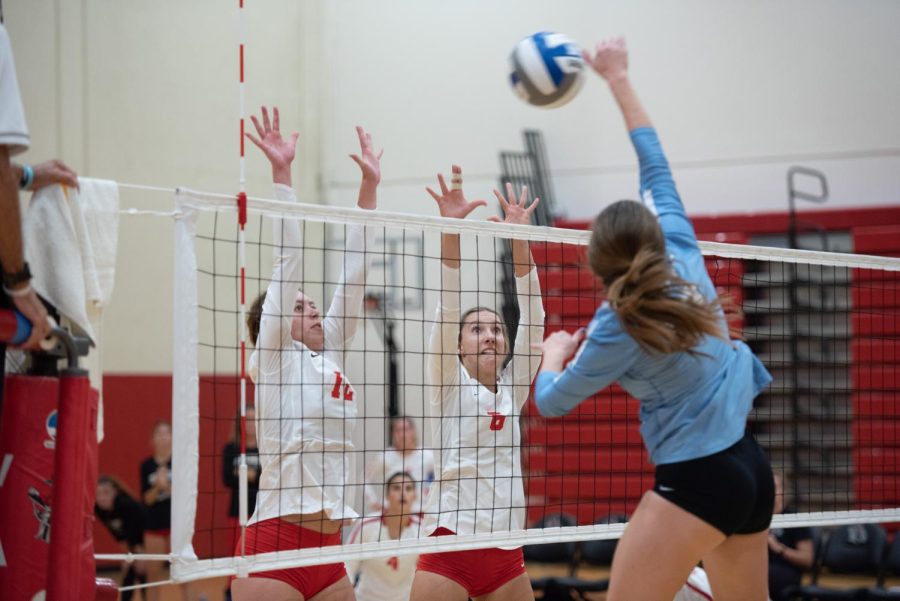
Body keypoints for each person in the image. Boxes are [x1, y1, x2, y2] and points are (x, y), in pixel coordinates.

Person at [532, 38, 774, 601]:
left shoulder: (617, 325)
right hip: (750, 468)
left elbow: (551, 402)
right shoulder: (683, 249)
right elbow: (653, 158)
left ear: (597, 266)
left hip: (696, 483)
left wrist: (553, 356)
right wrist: (616, 76)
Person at [230, 106, 381, 601]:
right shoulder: (275, 356)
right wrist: (282, 175)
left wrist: (368, 193)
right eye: (299, 305)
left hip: (327, 552)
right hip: (275, 548)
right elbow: (287, 263)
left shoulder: (329, 348)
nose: (312, 305)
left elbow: (354, 274)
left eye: (311, 301)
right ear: (272, 323)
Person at [409, 174, 545, 601]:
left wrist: (517, 242)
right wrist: (452, 230)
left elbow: (534, 316)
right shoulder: (447, 382)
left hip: (506, 551)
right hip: (450, 545)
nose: (489, 335)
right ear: (458, 345)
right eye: (476, 329)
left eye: (495, 329)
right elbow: (448, 305)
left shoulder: (513, 387)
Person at [347, 472, 421, 601]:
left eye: (408, 488)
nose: (402, 493)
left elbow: (425, 571)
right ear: (387, 495)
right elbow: (348, 564)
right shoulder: (366, 525)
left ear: (415, 496)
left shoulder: (421, 529)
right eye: (397, 488)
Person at [364, 416, 434, 517]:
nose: (402, 434)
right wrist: (373, 502)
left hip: (419, 513)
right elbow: (364, 479)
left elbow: (445, 478)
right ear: (393, 434)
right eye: (398, 430)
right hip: (393, 514)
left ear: (413, 431)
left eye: (406, 429)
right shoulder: (385, 456)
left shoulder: (428, 455)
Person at [95, 475, 147, 601]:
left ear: (116, 492)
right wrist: (127, 555)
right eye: (98, 493)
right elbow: (118, 533)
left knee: (141, 572)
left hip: (146, 538)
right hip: (133, 543)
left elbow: (137, 531)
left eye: (106, 492)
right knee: (131, 574)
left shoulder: (126, 505)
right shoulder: (99, 509)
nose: (101, 497)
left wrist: (139, 554)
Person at [139, 420, 174, 601]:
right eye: (159, 433)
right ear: (152, 439)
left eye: (166, 432)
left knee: (185, 574)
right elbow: (147, 499)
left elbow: (184, 495)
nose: (163, 436)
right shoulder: (146, 466)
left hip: (176, 522)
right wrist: (157, 487)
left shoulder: (180, 462)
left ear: (172, 437)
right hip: (154, 522)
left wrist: (166, 485)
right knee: (153, 575)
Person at [767, 473, 814, 601]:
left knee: (763, 574)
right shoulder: (757, 519)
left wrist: (779, 548)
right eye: (767, 487)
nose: (770, 491)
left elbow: (807, 559)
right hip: (761, 570)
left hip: (787, 572)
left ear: (783, 491)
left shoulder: (794, 518)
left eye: (775, 487)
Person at [222, 405, 261, 546]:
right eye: (246, 419)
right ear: (239, 422)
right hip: (237, 511)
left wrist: (240, 472)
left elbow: (266, 479)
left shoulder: (265, 448)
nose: (250, 423)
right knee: (237, 556)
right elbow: (227, 479)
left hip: (261, 512)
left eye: (253, 419)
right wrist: (254, 474)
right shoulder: (231, 448)